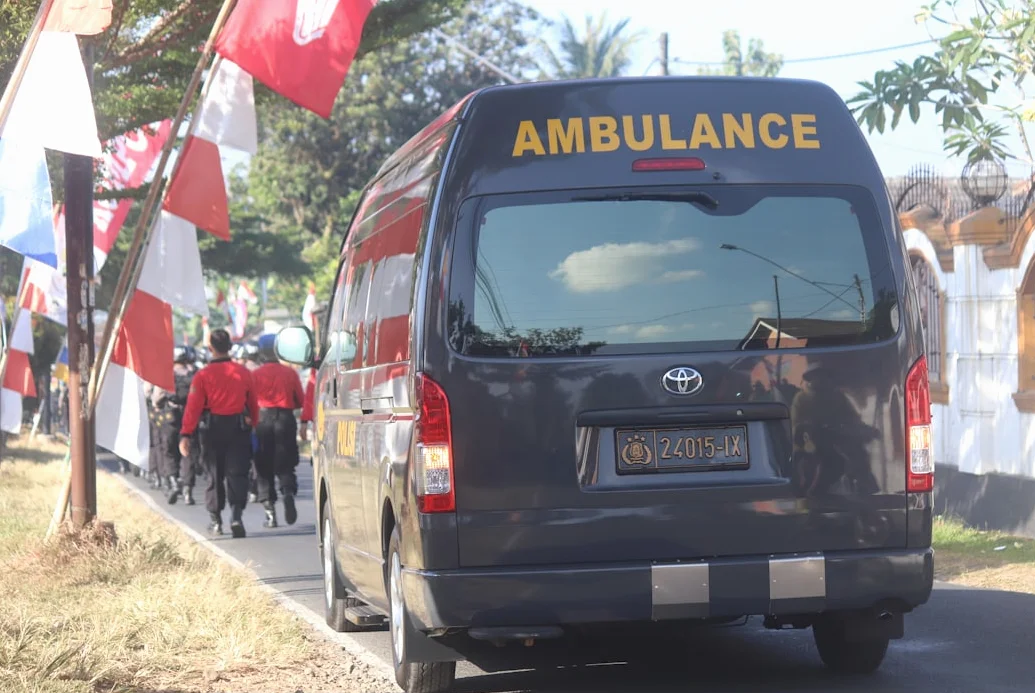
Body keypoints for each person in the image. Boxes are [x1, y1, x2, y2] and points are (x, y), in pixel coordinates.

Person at [178, 329, 259, 538]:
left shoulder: (203, 375)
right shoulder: (243, 373)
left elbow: (193, 407)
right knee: (237, 473)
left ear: (210, 348)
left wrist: (186, 434)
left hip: (212, 430)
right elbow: (253, 403)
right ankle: (236, 516)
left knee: (214, 475)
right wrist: (254, 423)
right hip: (238, 429)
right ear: (230, 347)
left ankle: (216, 521)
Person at [251, 333, 306, 527]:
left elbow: (249, 401)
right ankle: (288, 492)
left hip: (262, 420)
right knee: (286, 463)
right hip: (285, 419)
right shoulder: (290, 373)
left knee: (262, 466)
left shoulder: (254, 375)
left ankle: (270, 513)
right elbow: (300, 400)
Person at [158, 345, 201, 506]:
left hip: (171, 416)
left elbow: (157, 397)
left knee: (169, 451)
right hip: (190, 415)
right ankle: (188, 490)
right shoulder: (194, 373)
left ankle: (174, 482)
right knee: (188, 452)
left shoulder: (166, 374)